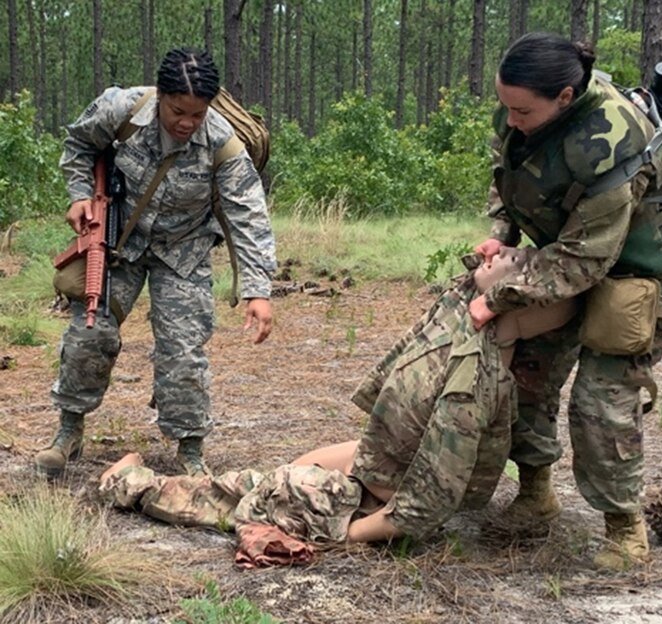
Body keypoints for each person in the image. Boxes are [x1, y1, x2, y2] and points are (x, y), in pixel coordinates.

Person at [98, 248, 578, 554]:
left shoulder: (474, 374)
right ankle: (135, 480)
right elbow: (517, 287)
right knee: (259, 482)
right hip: (373, 467)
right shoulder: (467, 314)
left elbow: (423, 507)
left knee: (238, 500)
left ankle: (127, 484)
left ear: (514, 297)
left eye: (508, 260)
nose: (495, 253)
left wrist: (346, 536)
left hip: (363, 504)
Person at [470, 33, 662, 570]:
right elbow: (508, 180)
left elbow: (585, 261)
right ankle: (536, 493)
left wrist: (499, 299)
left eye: (522, 110)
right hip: (565, 257)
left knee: (602, 401)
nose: (512, 119)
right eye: (506, 106)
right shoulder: (523, 112)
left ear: (566, 98)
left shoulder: (611, 138)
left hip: (638, 276)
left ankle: (625, 528)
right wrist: (503, 234)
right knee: (527, 372)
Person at [35, 48, 276, 479]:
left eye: (197, 114)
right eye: (178, 111)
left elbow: (249, 216)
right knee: (91, 332)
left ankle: (190, 448)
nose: (187, 123)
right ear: (161, 95)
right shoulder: (122, 109)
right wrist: (78, 194)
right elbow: (78, 144)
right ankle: (68, 431)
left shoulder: (223, 143)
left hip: (183, 251)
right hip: (121, 242)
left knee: (183, 351)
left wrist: (258, 291)